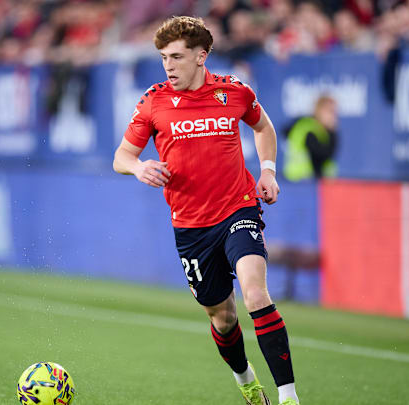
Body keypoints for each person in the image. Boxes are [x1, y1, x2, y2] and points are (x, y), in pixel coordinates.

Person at [113, 16, 299, 405]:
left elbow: (263, 128)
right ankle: (246, 380)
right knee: (223, 317)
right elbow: (122, 156)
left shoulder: (234, 92)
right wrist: (139, 167)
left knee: (255, 294)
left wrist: (268, 171)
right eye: (164, 58)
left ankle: (288, 398)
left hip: (238, 209)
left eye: (177, 57)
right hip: (191, 226)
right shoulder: (154, 101)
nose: (168, 66)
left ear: (201, 56)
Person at [282, 95, 338, 181]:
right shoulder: (310, 129)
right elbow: (322, 156)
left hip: (300, 179)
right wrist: (332, 133)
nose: (333, 117)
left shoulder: (311, 126)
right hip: (303, 179)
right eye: (330, 111)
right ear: (319, 110)